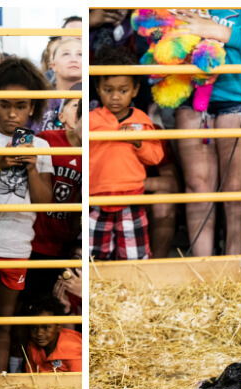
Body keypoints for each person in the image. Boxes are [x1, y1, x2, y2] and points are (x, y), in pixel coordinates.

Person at [0, 57, 54, 374]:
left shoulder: (41, 146)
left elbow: (45, 203)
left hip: (17, 246)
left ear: (33, 108)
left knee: (2, 326)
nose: (12, 113)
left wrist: (30, 164)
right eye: (4, 105)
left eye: (20, 106)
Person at [169, 9, 241, 257]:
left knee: (237, 190)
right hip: (189, 91)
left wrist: (213, 29)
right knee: (197, 187)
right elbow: (161, 33)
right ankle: (202, 271)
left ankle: (236, 272)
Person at [89, 51, 164, 261]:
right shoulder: (90, 121)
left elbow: (155, 157)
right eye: (108, 90)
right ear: (97, 89)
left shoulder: (142, 120)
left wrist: (138, 142)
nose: (115, 96)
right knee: (94, 258)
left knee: (135, 256)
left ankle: (132, 293)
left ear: (135, 90)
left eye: (123, 90)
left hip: (132, 199)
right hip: (95, 201)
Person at [25, 97, 83, 313]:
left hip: (62, 244)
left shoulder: (93, 152)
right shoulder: (46, 140)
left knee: (54, 306)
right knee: (24, 307)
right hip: (31, 238)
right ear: (76, 119)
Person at [18, 301, 82, 374]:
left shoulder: (73, 346)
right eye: (34, 328)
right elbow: (31, 377)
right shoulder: (32, 346)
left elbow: (79, 381)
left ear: (58, 327)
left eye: (46, 327)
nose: (39, 333)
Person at [41, 37, 82, 131]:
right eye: (66, 54)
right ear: (53, 65)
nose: (73, 59)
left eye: (80, 54)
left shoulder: (92, 100)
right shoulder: (40, 99)